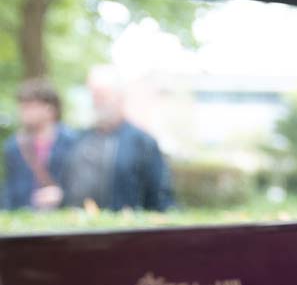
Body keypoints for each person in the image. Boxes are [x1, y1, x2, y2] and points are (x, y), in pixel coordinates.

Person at [63, 74, 171, 211]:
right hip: (77, 225)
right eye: (93, 96)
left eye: (102, 95)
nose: (96, 102)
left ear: (119, 98)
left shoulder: (142, 142)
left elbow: (159, 196)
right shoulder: (80, 138)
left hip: (123, 228)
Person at [3, 79, 76, 210]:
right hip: (24, 218)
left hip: (64, 217)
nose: (24, 112)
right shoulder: (13, 146)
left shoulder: (73, 142)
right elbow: (9, 189)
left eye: (30, 106)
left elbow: (81, 185)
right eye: (22, 106)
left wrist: (62, 195)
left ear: (50, 109)